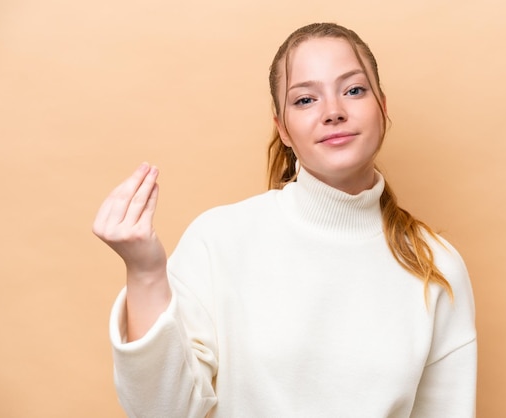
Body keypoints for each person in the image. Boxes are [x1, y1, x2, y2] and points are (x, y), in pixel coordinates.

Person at [93, 22, 477, 418]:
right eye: (306, 99)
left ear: (382, 106)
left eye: (354, 90)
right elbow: (163, 412)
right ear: (283, 130)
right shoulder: (219, 241)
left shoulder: (437, 266)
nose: (333, 112)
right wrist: (145, 274)